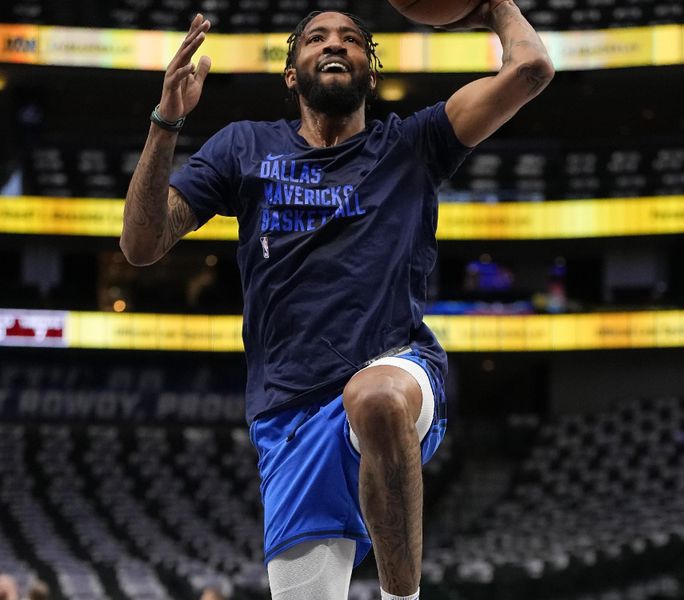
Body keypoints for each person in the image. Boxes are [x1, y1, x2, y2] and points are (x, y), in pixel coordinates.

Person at [119, 3, 553, 599]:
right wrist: (166, 121)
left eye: (352, 40)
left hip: (397, 369)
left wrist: (494, 9)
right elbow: (141, 244)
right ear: (291, 74)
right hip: (286, 413)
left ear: (370, 74)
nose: (335, 45)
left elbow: (531, 70)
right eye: (317, 38)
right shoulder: (243, 146)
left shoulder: (414, 142)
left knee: (373, 398)